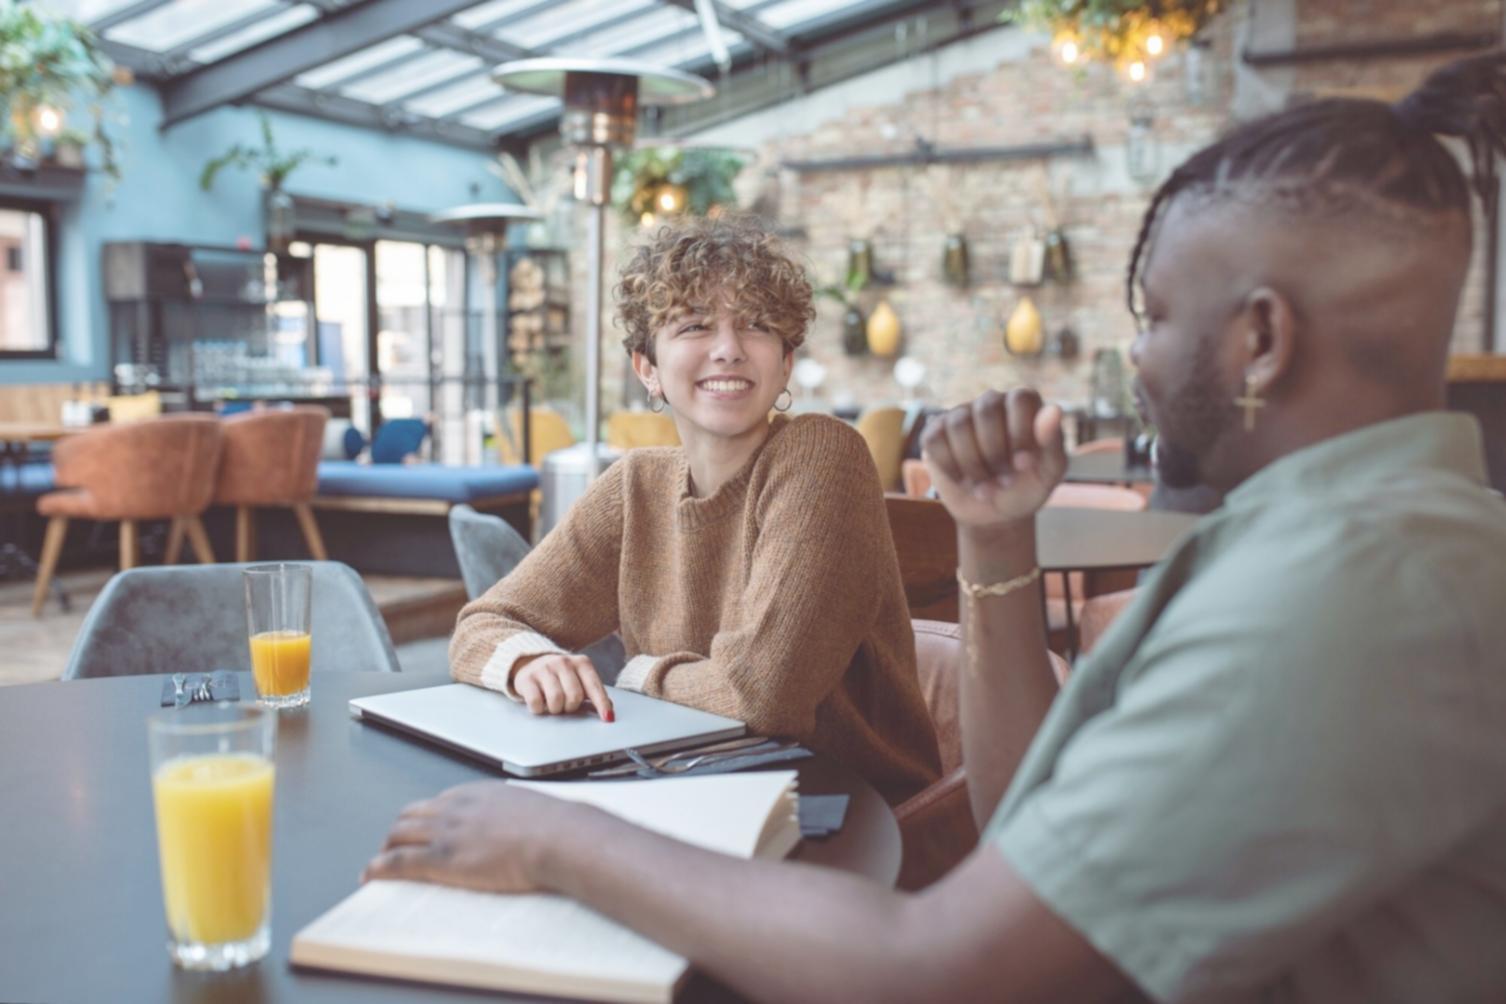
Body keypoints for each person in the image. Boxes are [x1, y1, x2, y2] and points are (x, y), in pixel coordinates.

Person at [372, 54, 1506, 1001]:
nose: (1138, 358)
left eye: (1152, 316)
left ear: (1259, 341)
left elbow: (938, 967)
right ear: (646, 363)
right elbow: (1026, 814)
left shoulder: (1349, 591)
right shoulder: (1322, 546)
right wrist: (996, 541)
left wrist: (547, 836)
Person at [449, 214, 941, 805]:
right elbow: (482, 623)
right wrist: (527, 660)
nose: (729, 350)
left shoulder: (821, 456)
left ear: (785, 362)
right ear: (647, 368)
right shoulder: (635, 486)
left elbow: (764, 698)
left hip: (854, 818)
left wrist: (631, 676)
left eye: (757, 326)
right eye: (695, 325)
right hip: (697, 796)